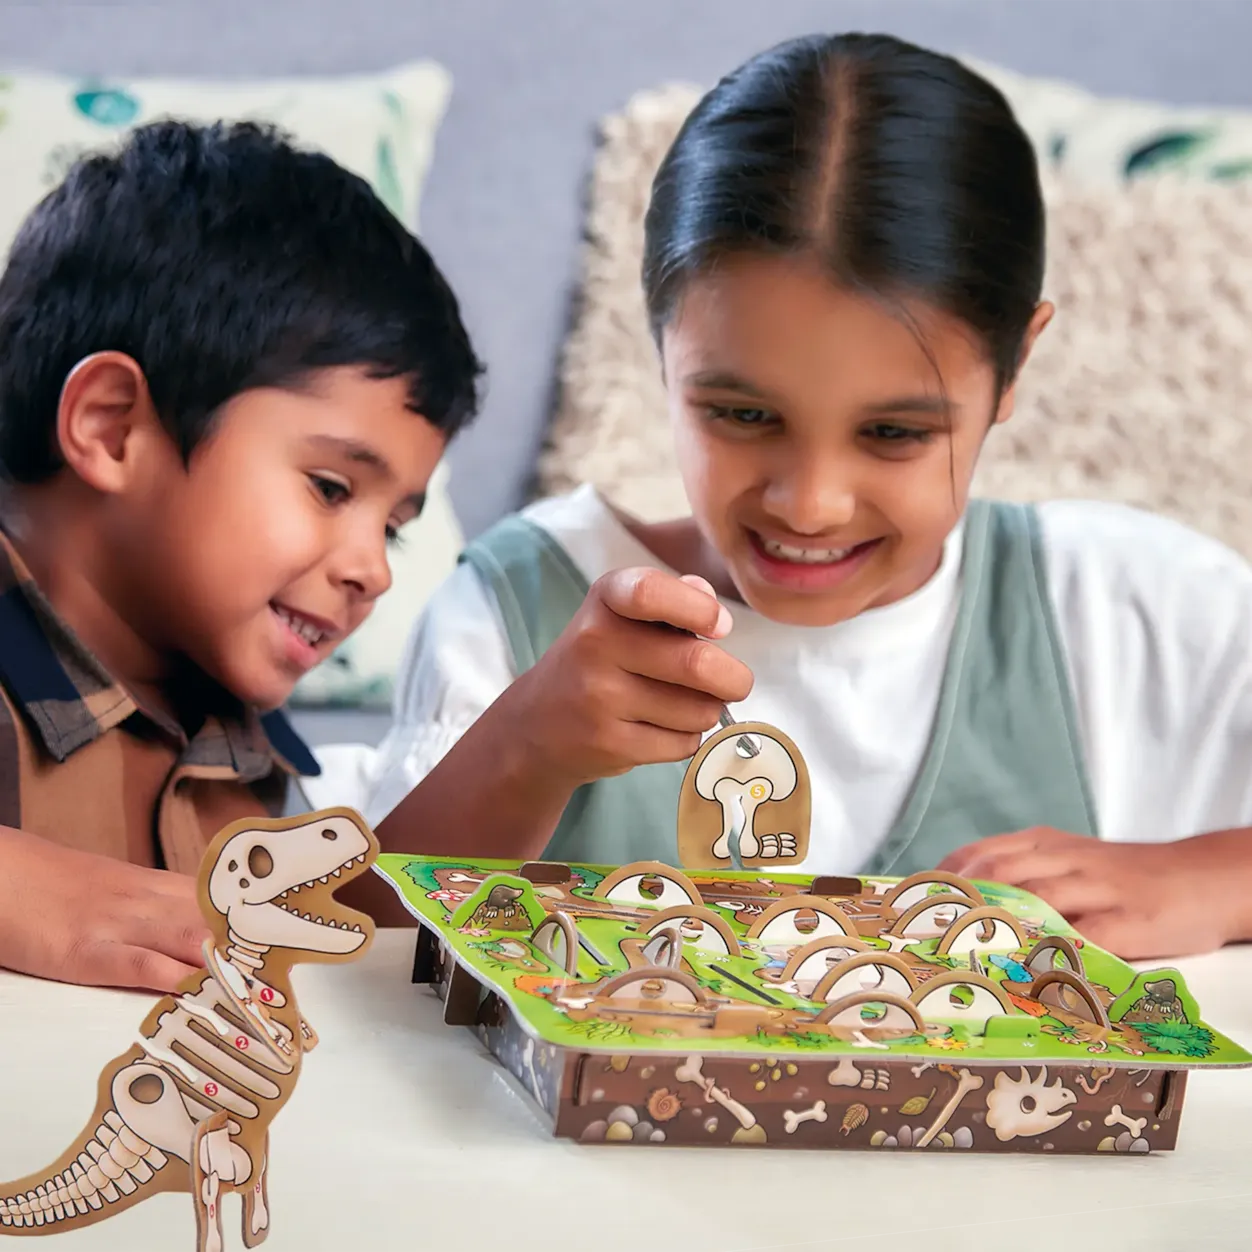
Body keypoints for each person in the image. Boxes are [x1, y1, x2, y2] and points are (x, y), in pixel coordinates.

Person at [367, 33, 1252, 960]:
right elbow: (350, 979)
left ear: (1016, 363)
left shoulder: (1135, 610)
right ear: (663, 345)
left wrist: (1217, 876)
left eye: (895, 434)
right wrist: (524, 749)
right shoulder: (515, 615)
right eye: (744, 413)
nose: (811, 505)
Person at [0, 118, 482, 991]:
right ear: (111, 428)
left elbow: (346, 979)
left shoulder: (247, 752)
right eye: (331, 488)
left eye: (394, 526)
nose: (372, 570)